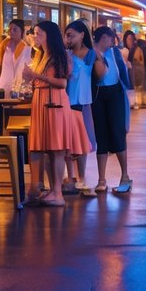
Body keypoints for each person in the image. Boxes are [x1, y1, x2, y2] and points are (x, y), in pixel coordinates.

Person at [23, 21, 90, 206]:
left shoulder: (59, 56)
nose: (35, 36)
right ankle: (44, 188)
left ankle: (57, 193)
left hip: (54, 102)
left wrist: (36, 76)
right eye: (34, 33)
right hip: (41, 100)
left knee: (56, 148)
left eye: (39, 33)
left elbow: (62, 83)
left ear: (48, 35)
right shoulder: (40, 55)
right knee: (40, 146)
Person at [91, 25, 133, 193]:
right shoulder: (92, 53)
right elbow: (99, 75)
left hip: (115, 94)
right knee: (101, 136)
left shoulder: (114, 52)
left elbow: (122, 73)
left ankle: (125, 176)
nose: (113, 43)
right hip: (98, 95)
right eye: (111, 39)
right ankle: (101, 179)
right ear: (103, 38)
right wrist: (97, 56)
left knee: (118, 133)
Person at [64, 20, 97, 195]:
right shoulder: (66, 54)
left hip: (84, 101)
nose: (68, 38)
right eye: (66, 35)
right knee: (68, 141)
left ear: (82, 35)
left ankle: (82, 177)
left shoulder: (91, 54)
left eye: (71, 35)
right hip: (68, 100)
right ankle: (71, 177)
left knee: (83, 140)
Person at [0, 19, 31, 96]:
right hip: (3, 82)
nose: (11, 31)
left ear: (22, 31)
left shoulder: (25, 47)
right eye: (10, 29)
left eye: (15, 29)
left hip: (18, 84)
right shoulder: (5, 44)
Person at [122, 30, 146, 109]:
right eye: (129, 39)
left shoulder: (134, 50)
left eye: (132, 39)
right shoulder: (126, 51)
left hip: (137, 78)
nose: (130, 41)